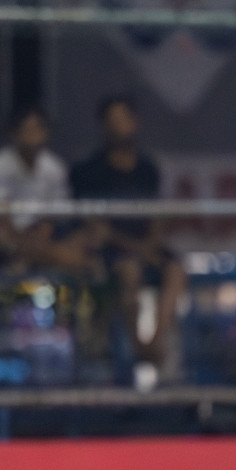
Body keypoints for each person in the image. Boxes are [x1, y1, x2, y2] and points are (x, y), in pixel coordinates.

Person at [69, 96, 187, 382]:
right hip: (112, 249)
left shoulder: (148, 169)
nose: (118, 126)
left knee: (176, 269)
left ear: (135, 123)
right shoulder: (89, 170)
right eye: (112, 121)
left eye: (123, 119)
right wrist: (133, 246)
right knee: (129, 270)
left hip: (146, 246)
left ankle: (156, 340)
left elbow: (157, 216)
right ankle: (138, 347)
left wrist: (150, 244)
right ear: (103, 126)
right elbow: (94, 226)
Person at [0, 107, 97, 276]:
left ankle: (28, 261)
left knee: (85, 236)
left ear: (45, 133)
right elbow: (1, 218)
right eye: (27, 129)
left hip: (44, 235)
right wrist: (27, 240)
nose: (32, 135)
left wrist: (43, 233)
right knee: (1, 239)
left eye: (37, 129)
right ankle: (60, 258)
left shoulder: (55, 166)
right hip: (6, 236)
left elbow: (57, 213)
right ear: (14, 133)